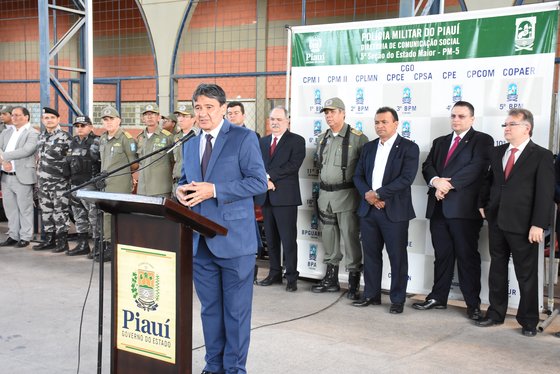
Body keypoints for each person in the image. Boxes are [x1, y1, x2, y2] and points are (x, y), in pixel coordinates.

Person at [176, 83, 267, 374]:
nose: (202, 114)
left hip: (234, 242)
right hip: (200, 242)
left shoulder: (243, 138)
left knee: (236, 313)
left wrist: (214, 190)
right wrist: (180, 191)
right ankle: (212, 366)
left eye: (208, 108)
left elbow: (258, 182)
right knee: (210, 311)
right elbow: (183, 179)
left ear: (224, 109)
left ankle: (234, 369)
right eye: (198, 108)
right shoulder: (190, 142)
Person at [476, 108, 554, 337]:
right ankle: (495, 313)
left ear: (526, 127)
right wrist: (483, 203)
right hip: (497, 219)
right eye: (505, 125)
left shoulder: (541, 155)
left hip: (525, 225)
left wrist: (538, 224)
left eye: (511, 124)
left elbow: (544, 193)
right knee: (497, 269)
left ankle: (529, 320)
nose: (506, 128)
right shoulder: (496, 151)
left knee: (526, 274)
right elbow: (488, 180)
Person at [412, 101, 493, 320]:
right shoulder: (440, 142)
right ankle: (438, 297)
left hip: (464, 211)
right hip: (438, 209)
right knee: (442, 255)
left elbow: (476, 168)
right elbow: (427, 166)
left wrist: (446, 186)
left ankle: (473, 304)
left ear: (472, 119)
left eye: (462, 116)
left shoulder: (482, 140)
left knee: (467, 257)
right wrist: (436, 181)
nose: (456, 120)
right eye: (454, 116)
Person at [351, 107, 419, 314]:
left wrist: (378, 195)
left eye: (384, 122)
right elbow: (358, 177)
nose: (380, 126)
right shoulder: (369, 147)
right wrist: (370, 197)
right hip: (369, 211)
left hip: (394, 211)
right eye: (377, 122)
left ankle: (397, 299)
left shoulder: (409, 148)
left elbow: (406, 179)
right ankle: (371, 295)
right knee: (370, 255)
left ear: (396, 124)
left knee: (397, 257)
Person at [312, 97, 368, 300]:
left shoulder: (357, 138)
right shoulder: (322, 138)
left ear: (343, 113)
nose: (329, 116)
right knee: (329, 236)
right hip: (326, 196)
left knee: (350, 237)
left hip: (347, 196)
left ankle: (353, 281)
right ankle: (331, 278)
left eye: (333, 112)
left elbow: (365, 171)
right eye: (326, 112)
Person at [256, 106, 305, 292]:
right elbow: (256, 164)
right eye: (272, 119)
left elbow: (293, 166)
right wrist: (266, 180)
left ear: (287, 121)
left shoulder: (296, 141)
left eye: (279, 119)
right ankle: (274, 273)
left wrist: (269, 177)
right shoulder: (262, 141)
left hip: (286, 198)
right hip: (267, 197)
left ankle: (291, 276)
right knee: (271, 239)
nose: (275, 123)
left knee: (288, 239)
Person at [98, 106, 137, 261]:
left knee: (120, 215)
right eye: (105, 119)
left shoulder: (126, 139)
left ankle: (120, 246)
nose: (108, 122)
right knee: (106, 215)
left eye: (111, 119)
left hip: (120, 184)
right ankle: (108, 245)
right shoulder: (102, 138)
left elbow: (134, 164)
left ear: (119, 120)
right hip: (105, 184)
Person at [32, 107, 72, 253]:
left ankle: (62, 242)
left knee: (60, 212)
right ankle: (49, 240)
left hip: (59, 182)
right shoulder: (41, 137)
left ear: (58, 119)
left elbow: (70, 160)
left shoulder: (65, 137)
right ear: (43, 120)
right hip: (43, 182)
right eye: (46, 118)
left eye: (52, 118)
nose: (49, 120)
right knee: (46, 212)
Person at [0, 106, 38, 247]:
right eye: (13, 115)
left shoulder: (33, 133)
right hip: (6, 176)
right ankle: (13, 235)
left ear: (26, 117)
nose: (14, 118)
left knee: (25, 208)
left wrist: (4, 157)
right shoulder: (6, 132)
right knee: (10, 208)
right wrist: (4, 162)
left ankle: (26, 237)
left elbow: (26, 151)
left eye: (17, 115)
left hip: (22, 176)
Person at [64, 115, 101, 257]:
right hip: (74, 185)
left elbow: (101, 163)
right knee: (79, 217)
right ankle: (83, 244)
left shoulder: (96, 142)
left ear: (90, 127)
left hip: (90, 185)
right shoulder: (72, 142)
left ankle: (98, 246)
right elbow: (67, 161)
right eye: (77, 126)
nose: (79, 129)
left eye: (83, 126)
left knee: (94, 217)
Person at [136, 103, 174, 197]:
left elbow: (173, 162)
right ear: (143, 119)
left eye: (153, 114)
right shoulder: (140, 137)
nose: (149, 117)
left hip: (160, 189)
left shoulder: (168, 137)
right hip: (142, 189)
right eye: (146, 114)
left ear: (158, 117)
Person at [172, 104, 197, 195]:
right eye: (179, 116)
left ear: (193, 119)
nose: (180, 119)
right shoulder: (175, 138)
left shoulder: (199, 137)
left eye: (185, 116)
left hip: (192, 185)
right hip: (177, 184)